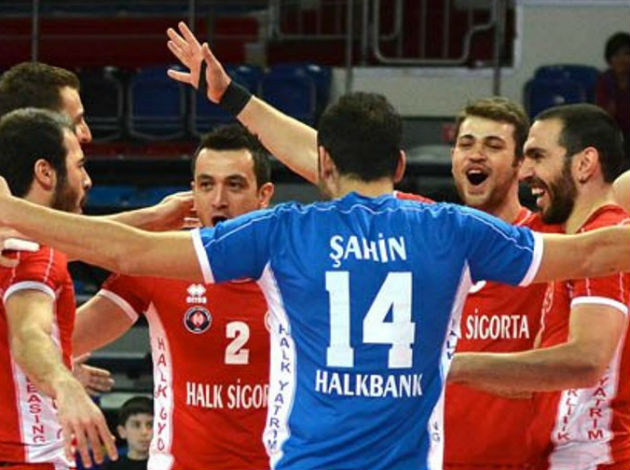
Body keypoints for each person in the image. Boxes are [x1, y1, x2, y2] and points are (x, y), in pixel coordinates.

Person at [1, 93, 630, 470]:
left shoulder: (285, 231)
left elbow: (128, 250)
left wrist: (14, 211)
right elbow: (589, 254)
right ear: (401, 163)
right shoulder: (452, 230)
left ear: (324, 164)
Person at [73, 125, 273, 470]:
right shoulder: (159, 264)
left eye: (235, 185)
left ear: (264, 195)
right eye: (206, 185)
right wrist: (57, 373)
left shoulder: (294, 270)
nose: (219, 199)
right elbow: (63, 337)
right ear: (192, 192)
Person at [449, 103, 629, 470]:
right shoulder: (575, 242)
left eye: (537, 156)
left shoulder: (602, 242)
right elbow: (533, 384)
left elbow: (586, 361)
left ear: (584, 164)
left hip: (596, 458)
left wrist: (451, 365)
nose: (525, 171)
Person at [443, 97, 561, 470]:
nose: (476, 154)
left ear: (521, 164)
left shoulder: (551, 239)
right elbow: (346, 166)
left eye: (493, 146)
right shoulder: (427, 238)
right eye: (466, 144)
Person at [0, 109, 117, 469]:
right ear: (45, 173)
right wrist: (64, 384)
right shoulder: (35, 247)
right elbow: (28, 333)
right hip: (29, 455)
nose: (87, 180)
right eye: (79, 166)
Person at [595, 32, 630, 165]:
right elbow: (603, 116)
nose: (621, 59)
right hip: (613, 134)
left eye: (626, 54)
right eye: (616, 55)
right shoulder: (605, 81)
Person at [103, 396, 154, 470]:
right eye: (136, 425)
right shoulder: (112, 466)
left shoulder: (166, 464)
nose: (144, 432)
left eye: (150, 425)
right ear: (122, 431)